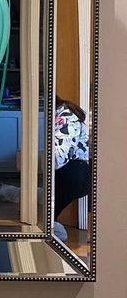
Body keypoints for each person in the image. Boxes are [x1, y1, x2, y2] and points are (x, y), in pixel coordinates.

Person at [54, 95, 90, 240]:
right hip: (75, 173)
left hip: (75, 175)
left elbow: (58, 157)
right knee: (48, 213)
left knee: (47, 216)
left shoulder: (66, 117)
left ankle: (55, 235)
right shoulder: (64, 113)